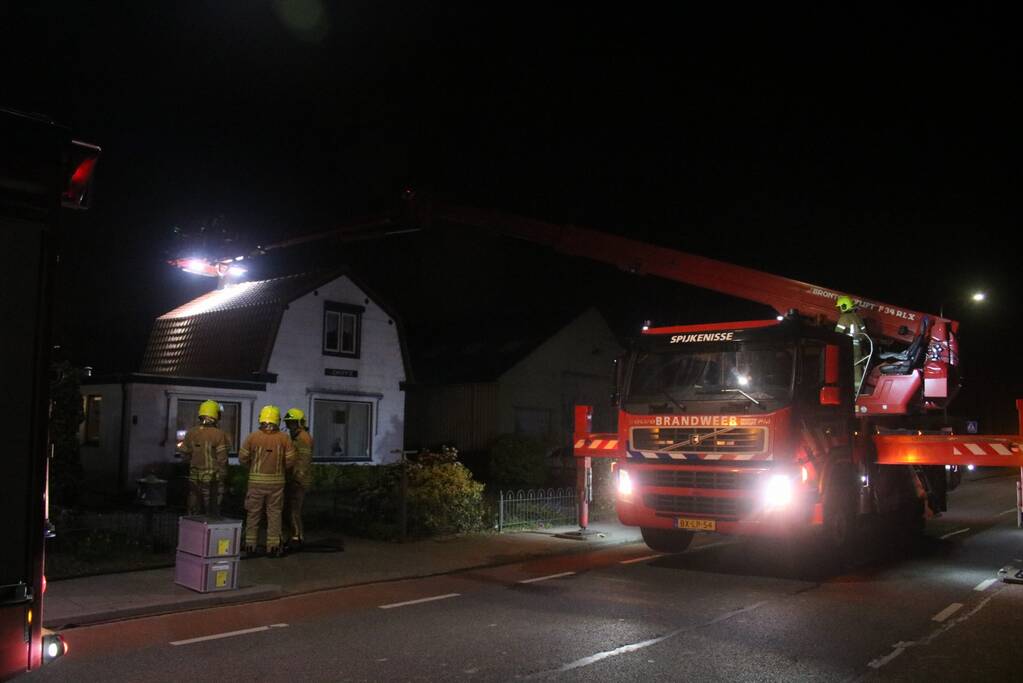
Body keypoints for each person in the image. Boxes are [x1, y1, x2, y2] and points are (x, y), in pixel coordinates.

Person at [238, 405, 295, 557]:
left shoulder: (253, 437)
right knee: (275, 514)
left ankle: (250, 546)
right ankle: (273, 547)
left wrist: (253, 467)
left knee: (253, 514)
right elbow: (290, 462)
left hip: (256, 483)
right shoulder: (285, 438)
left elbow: (242, 458)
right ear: (278, 420)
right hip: (276, 484)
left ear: (261, 419)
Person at [178, 400, 231, 516]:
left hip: (194, 476)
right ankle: (208, 529)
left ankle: (192, 529)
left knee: (193, 503)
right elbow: (222, 459)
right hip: (212, 479)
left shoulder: (191, 433)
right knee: (212, 508)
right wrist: (224, 475)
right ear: (216, 415)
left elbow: (184, 454)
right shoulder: (219, 434)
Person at [283, 407, 314, 549]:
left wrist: (297, 478)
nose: (290, 426)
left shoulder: (303, 438)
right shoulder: (296, 437)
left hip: (298, 480)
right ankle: (295, 535)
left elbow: (304, 460)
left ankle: (297, 537)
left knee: (294, 509)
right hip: (294, 478)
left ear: (300, 423)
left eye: (293, 423)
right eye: (289, 423)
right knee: (291, 509)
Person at [834, 295, 868, 391]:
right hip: (858, 347)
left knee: (844, 367)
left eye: (840, 306)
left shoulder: (843, 318)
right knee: (857, 367)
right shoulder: (858, 318)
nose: (839, 308)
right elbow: (864, 335)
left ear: (844, 306)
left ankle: (846, 390)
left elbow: (837, 334)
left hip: (847, 347)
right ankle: (858, 391)